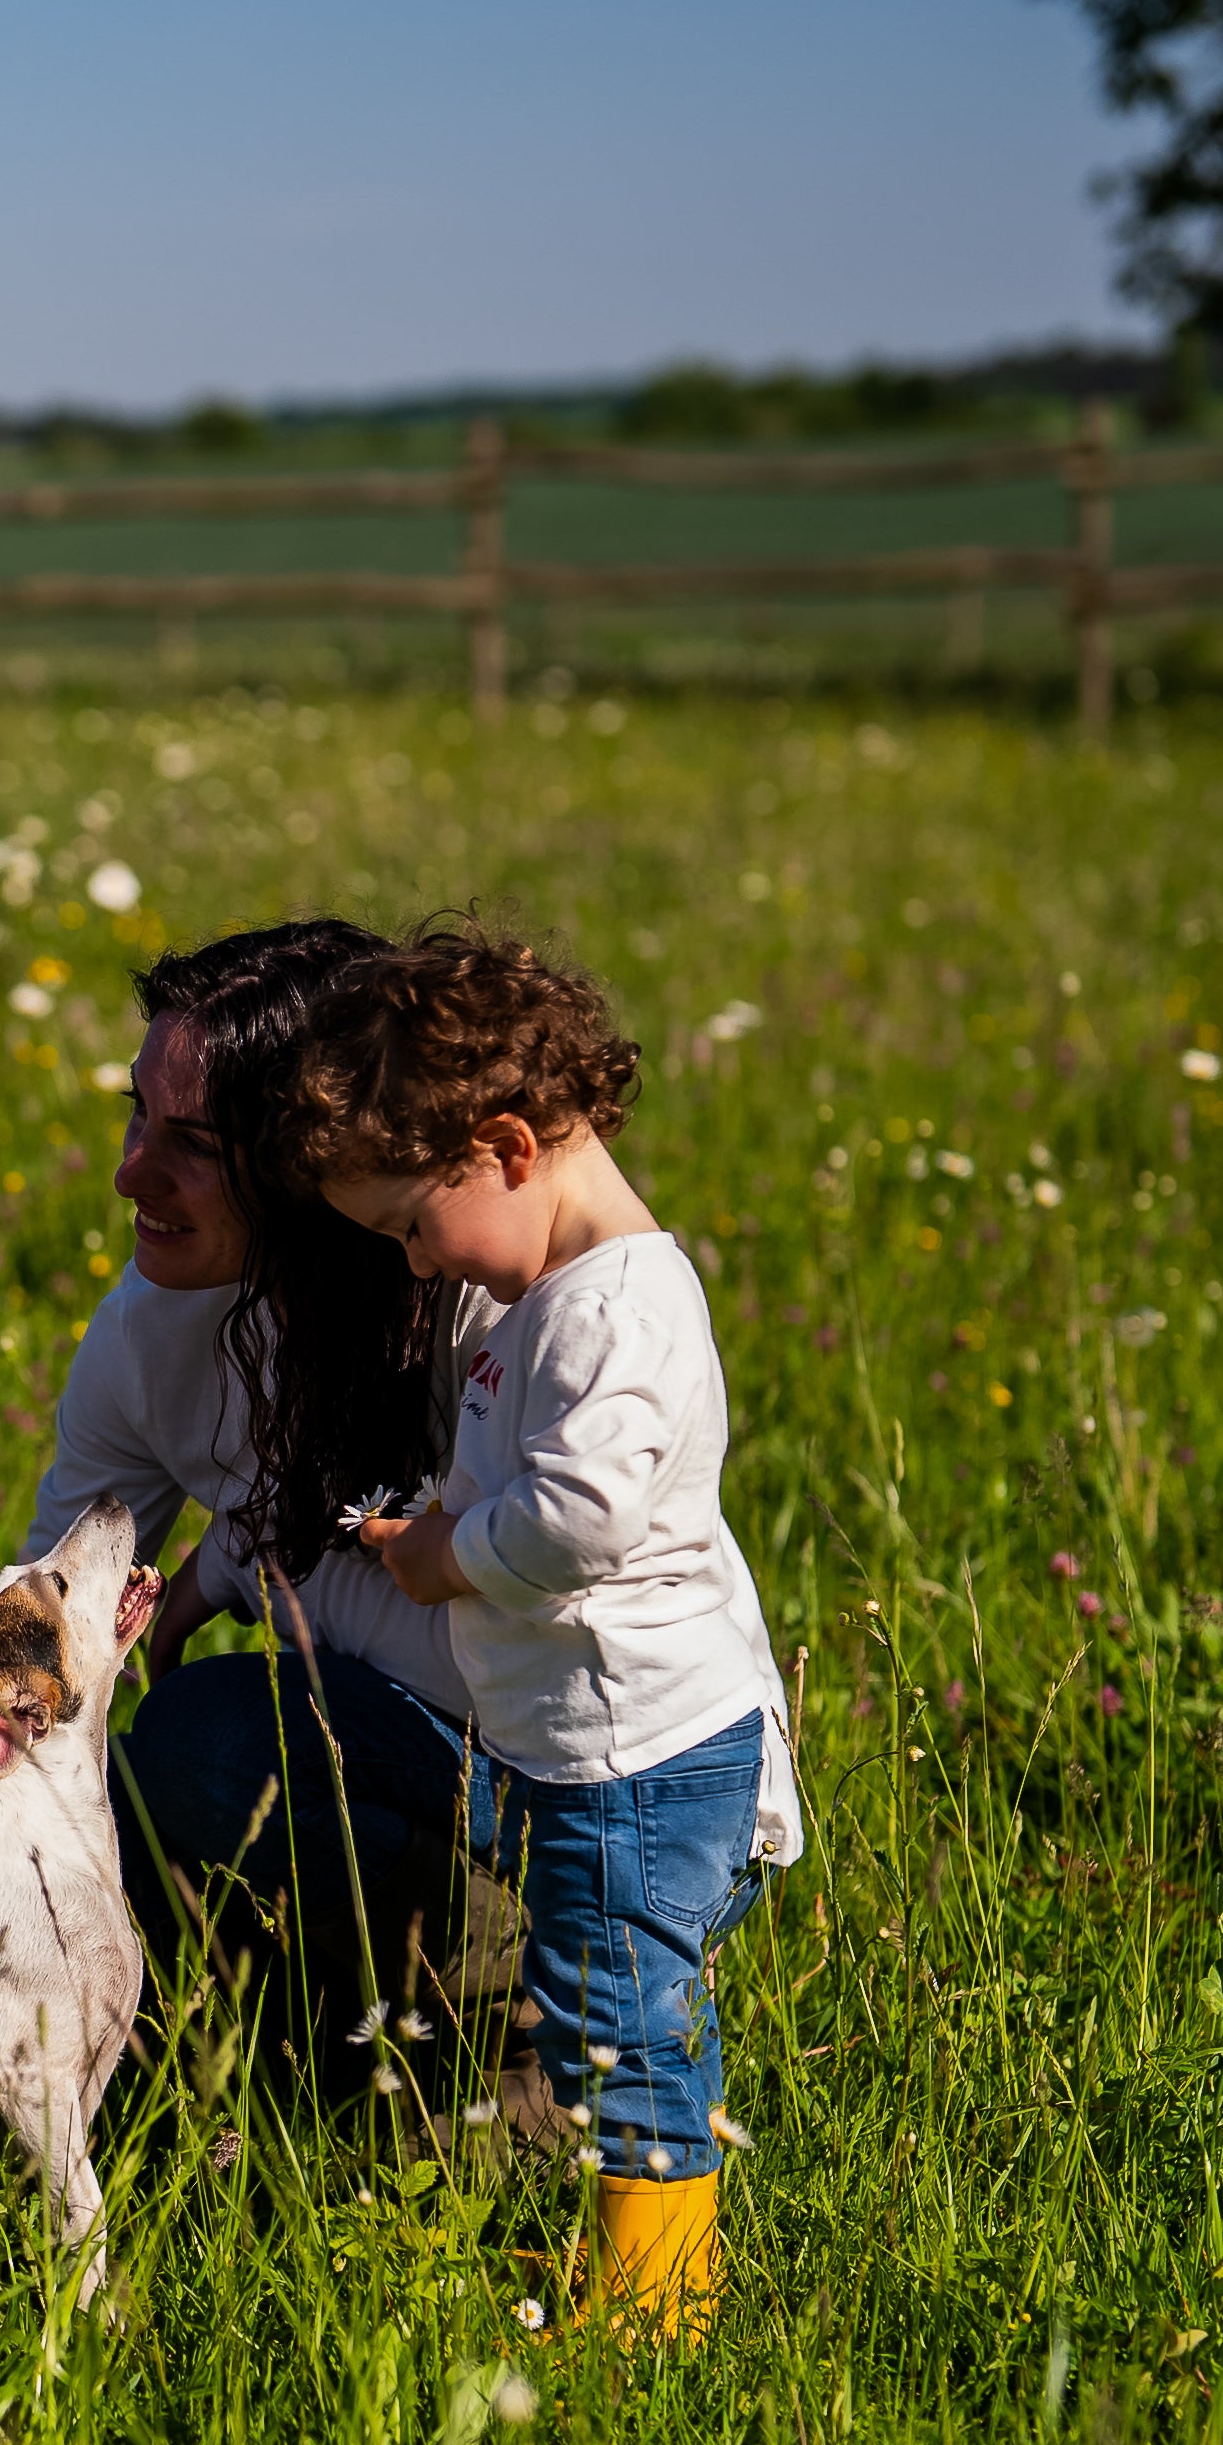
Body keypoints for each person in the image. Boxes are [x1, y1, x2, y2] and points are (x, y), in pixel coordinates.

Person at [0, 921, 520, 2060]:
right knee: (153, 1778)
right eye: (135, 1112)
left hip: (565, 1773)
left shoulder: (480, 1303)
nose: (129, 1172)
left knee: (197, 1747)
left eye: (192, 1141)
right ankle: (289, 2039)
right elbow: (33, 1623)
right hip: (358, 1752)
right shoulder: (152, 1331)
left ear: (318, 1155)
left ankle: (501, 2003)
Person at [295, 922, 805, 2342]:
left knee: (623, 2023)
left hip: (648, 1755)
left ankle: (657, 2307)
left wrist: (450, 1554)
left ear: (509, 1148)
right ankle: (631, 2258)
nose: (408, 1262)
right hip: (593, 1753)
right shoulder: (551, 1301)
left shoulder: (625, 1306)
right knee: (599, 2010)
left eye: (409, 1222)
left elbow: (579, 1517)